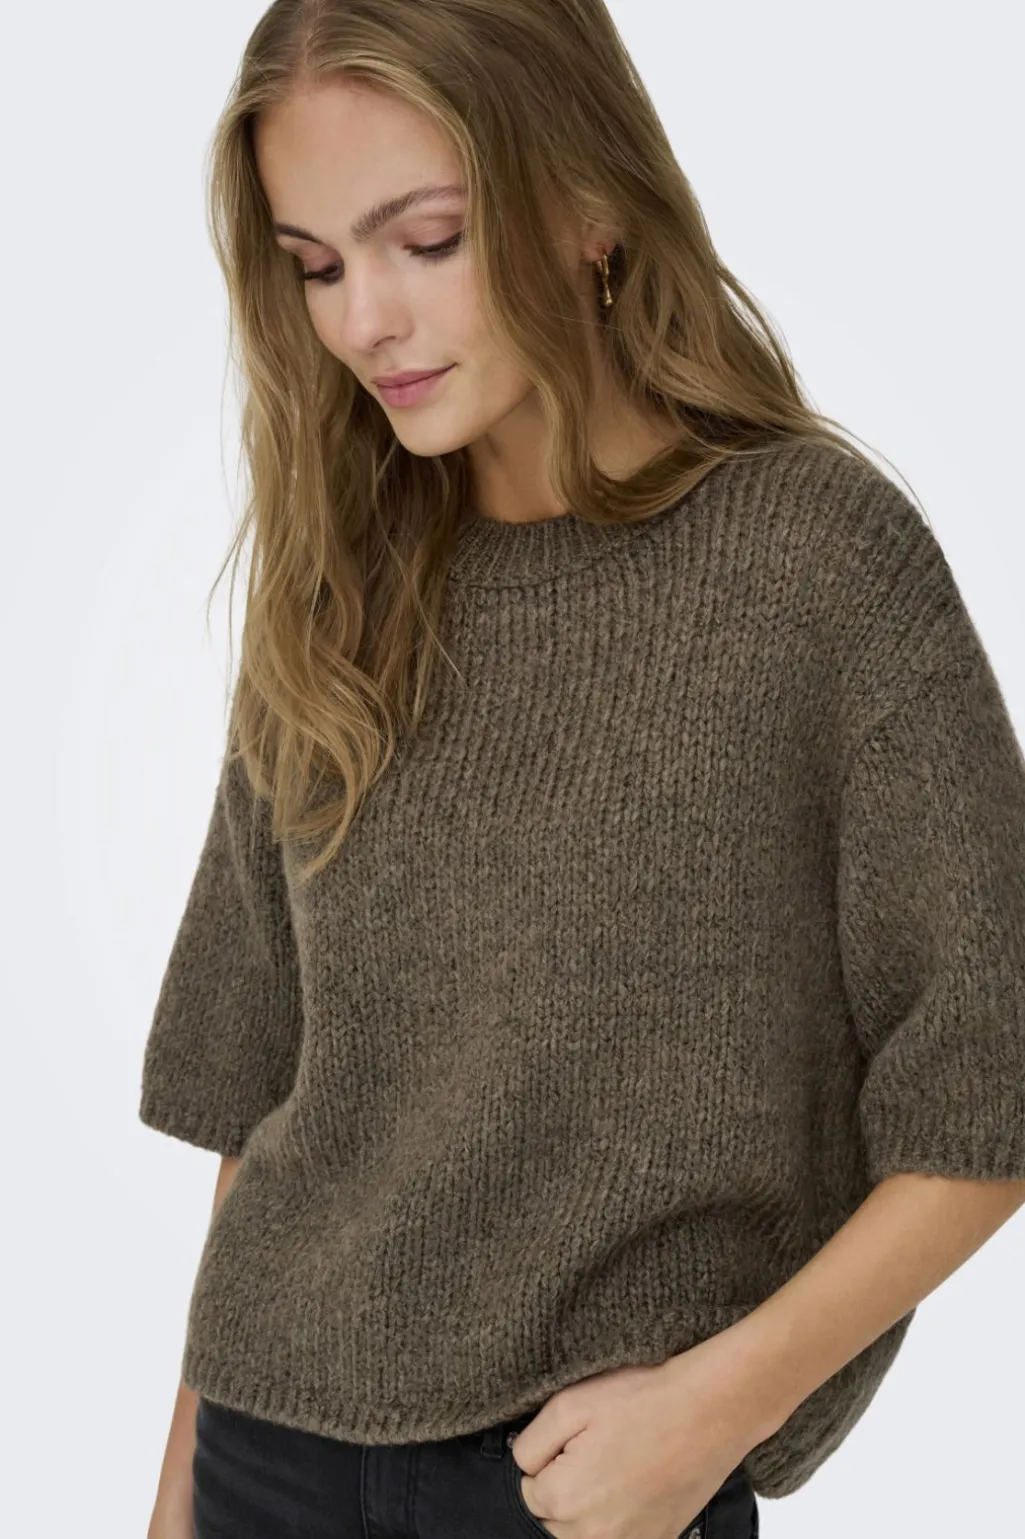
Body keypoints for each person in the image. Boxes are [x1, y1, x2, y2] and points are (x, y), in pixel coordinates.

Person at [139, 3, 1025, 1537]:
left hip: (584, 1486)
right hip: (265, 1459)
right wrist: (172, 1506)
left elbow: (996, 1065)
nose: (365, 321)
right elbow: (269, 1095)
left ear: (591, 209)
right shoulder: (341, 584)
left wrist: (719, 1406)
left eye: (425, 239)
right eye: (317, 265)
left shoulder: (816, 566)